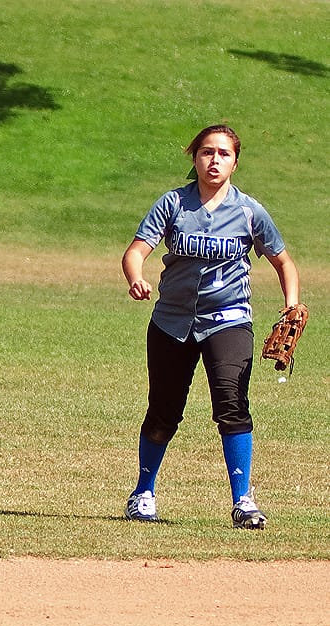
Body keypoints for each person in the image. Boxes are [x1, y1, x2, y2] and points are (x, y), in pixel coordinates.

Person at [121, 124, 300, 529]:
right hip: (172, 321)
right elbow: (136, 251)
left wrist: (292, 306)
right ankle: (143, 493)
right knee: (164, 411)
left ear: (235, 162)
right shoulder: (173, 204)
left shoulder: (249, 211)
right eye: (206, 152)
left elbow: (283, 262)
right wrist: (136, 276)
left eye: (223, 153)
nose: (214, 160)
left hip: (230, 320)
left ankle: (243, 501)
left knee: (232, 404)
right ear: (194, 158)